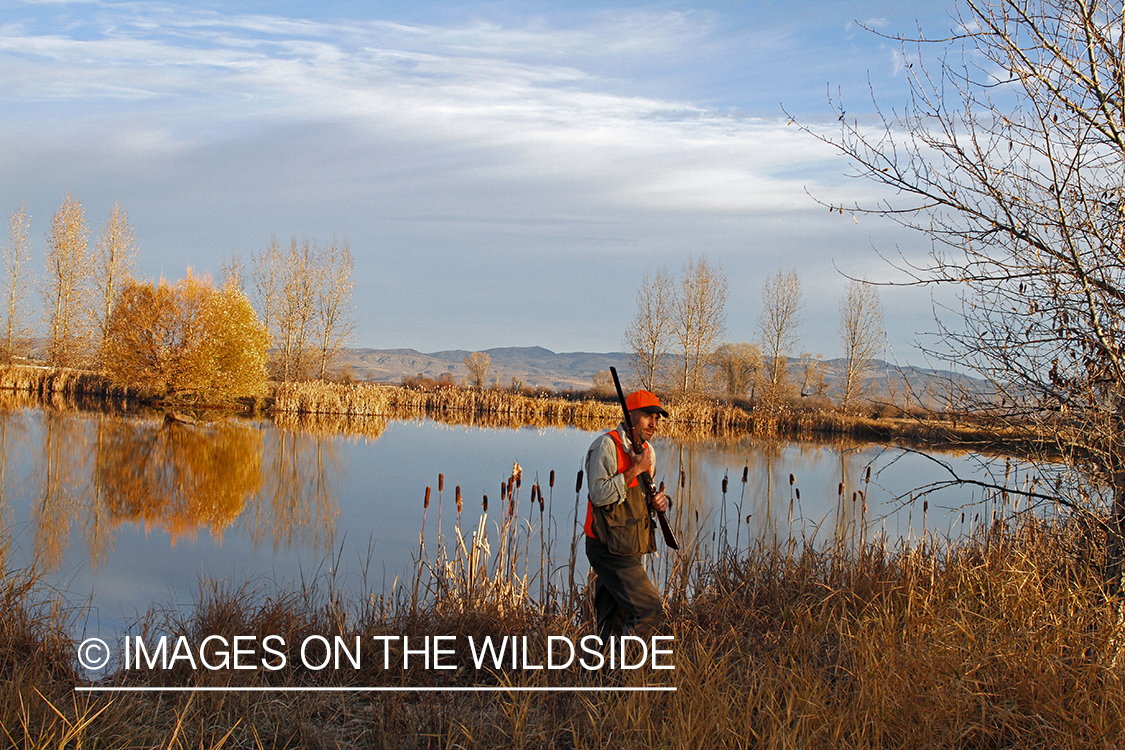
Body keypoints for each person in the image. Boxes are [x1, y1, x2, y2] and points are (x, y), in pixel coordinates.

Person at [583, 389, 671, 641]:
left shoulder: (648, 451)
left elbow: (642, 497)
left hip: (629, 543)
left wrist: (661, 502)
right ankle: (630, 673)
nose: (654, 424)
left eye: (657, 418)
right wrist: (635, 470)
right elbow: (599, 495)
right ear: (630, 416)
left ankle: (602, 677)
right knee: (648, 609)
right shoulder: (606, 446)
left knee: (612, 622)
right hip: (607, 546)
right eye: (647, 417)